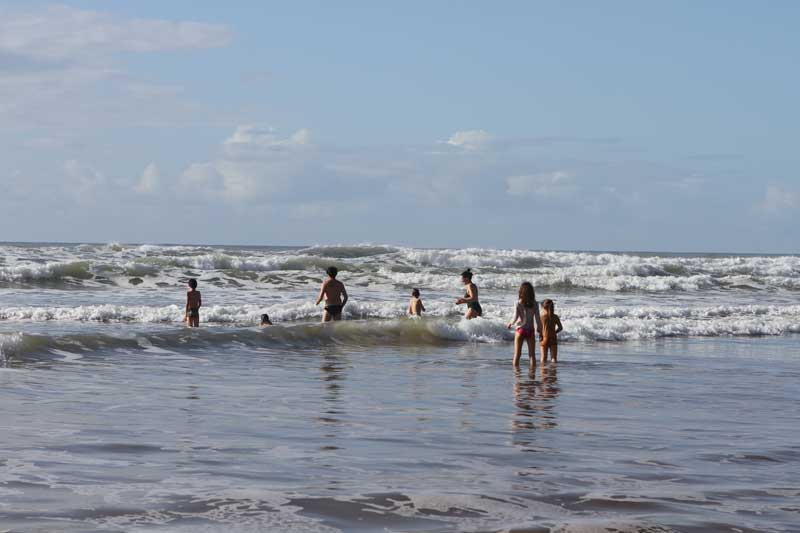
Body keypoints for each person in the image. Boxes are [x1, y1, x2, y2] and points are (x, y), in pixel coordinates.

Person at [507, 281, 542, 367]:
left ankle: (517, 376)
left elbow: (515, 317)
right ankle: (532, 375)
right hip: (530, 330)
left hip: (520, 330)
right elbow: (537, 319)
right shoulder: (535, 304)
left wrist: (510, 323)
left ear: (521, 292)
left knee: (517, 355)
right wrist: (540, 329)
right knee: (532, 355)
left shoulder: (518, 303)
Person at [539, 299, 563, 363]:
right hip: (553, 338)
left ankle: (543, 372)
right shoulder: (555, 317)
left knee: (543, 358)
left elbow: (537, 329)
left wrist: (541, 333)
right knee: (553, 358)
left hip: (544, 338)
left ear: (543, 308)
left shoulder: (541, 317)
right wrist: (555, 332)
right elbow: (560, 328)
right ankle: (553, 371)